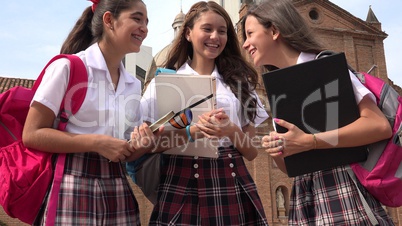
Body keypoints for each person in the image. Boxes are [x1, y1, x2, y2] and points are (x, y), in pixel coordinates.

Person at [241, 0, 394, 225]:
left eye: (250, 34)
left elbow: (378, 126)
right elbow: (290, 168)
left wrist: (310, 141)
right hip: (305, 197)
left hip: (342, 192)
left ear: (274, 31)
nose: (245, 44)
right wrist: (278, 149)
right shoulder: (279, 87)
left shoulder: (325, 66)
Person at [22, 0, 158, 225]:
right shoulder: (68, 67)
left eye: (146, 21)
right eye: (137, 18)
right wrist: (96, 142)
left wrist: (140, 145)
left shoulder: (133, 84)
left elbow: (124, 150)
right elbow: (32, 134)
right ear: (109, 21)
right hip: (70, 184)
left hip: (116, 186)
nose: (145, 28)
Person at [141, 1, 269, 225]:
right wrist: (191, 131)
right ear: (188, 33)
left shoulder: (240, 85)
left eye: (222, 31)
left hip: (231, 179)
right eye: (207, 29)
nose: (215, 37)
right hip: (181, 181)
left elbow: (251, 152)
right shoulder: (164, 83)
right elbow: (148, 144)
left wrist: (231, 130)